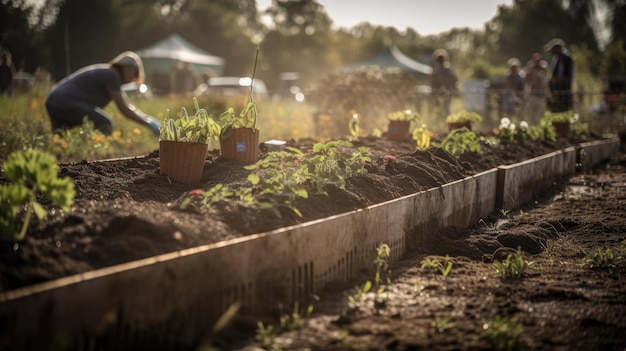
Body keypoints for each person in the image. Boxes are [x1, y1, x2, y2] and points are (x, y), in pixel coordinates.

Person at [45, 51, 160, 136]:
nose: (133, 79)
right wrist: (148, 124)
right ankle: (95, 156)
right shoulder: (112, 75)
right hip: (64, 101)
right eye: (134, 74)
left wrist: (148, 119)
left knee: (59, 136)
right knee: (105, 123)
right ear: (128, 68)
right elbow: (124, 108)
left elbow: (128, 105)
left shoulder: (110, 74)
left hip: (54, 100)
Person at [545, 38, 574, 113]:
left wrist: (555, 80)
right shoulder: (556, 59)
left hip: (563, 90)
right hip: (556, 91)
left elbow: (566, 76)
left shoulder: (566, 59)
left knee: (564, 110)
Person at [430, 48, 458, 118]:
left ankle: (449, 122)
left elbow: (454, 80)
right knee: (438, 109)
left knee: (446, 109)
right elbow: (433, 82)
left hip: (447, 92)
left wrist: (452, 89)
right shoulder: (437, 70)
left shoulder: (447, 70)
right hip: (439, 93)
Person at [521, 53, 548, 124]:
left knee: (541, 111)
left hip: (541, 92)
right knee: (532, 110)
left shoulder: (543, 65)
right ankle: (532, 123)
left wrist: (539, 68)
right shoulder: (530, 65)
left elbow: (546, 73)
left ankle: (541, 124)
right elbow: (527, 78)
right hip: (532, 92)